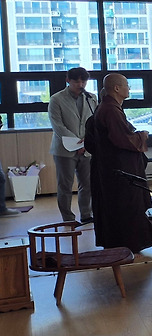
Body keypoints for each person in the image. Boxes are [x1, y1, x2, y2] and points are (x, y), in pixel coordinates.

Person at [84, 73, 151, 253]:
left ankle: (119, 244)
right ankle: (127, 244)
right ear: (116, 88)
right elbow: (123, 139)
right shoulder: (110, 110)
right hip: (118, 170)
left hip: (109, 168)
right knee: (126, 206)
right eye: (127, 85)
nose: (129, 88)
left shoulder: (107, 108)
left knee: (115, 207)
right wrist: (142, 136)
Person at [48, 67, 97, 222]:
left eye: (84, 81)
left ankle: (86, 214)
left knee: (87, 184)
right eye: (76, 81)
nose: (80, 85)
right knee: (65, 186)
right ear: (68, 80)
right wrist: (77, 143)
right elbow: (58, 125)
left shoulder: (91, 98)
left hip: (87, 149)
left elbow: (95, 122)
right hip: (64, 149)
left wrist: (87, 141)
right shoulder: (56, 99)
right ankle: (68, 218)